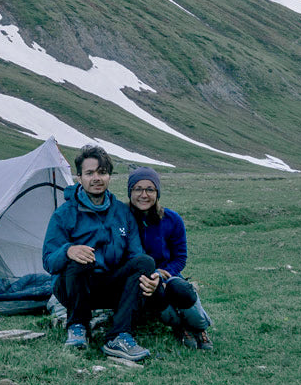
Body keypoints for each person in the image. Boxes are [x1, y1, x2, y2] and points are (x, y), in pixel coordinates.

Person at [42, 145, 158, 361]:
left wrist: (150, 279)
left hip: (109, 285)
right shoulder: (64, 214)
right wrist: (68, 250)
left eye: (102, 172)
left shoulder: (122, 212)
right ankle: (77, 327)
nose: (97, 178)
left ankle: (119, 336)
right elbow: (48, 261)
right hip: (73, 288)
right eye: (90, 173)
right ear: (79, 178)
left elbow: (136, 255)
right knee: (80, 257)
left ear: (109, 177)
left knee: (145, 262)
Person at [127, 166, 213, 350]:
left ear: (157, 193)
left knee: (180, 288)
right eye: (137, 189)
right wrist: (153, 276)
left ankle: (199, 327)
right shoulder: (123, 219)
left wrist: (164, 274)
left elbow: (180, 258)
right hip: (143, 278)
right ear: (130, 192)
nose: (144, 194)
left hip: (169, 275)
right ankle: (180, 327)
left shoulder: (172, 219)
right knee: (155, 293)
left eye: (150, 189)